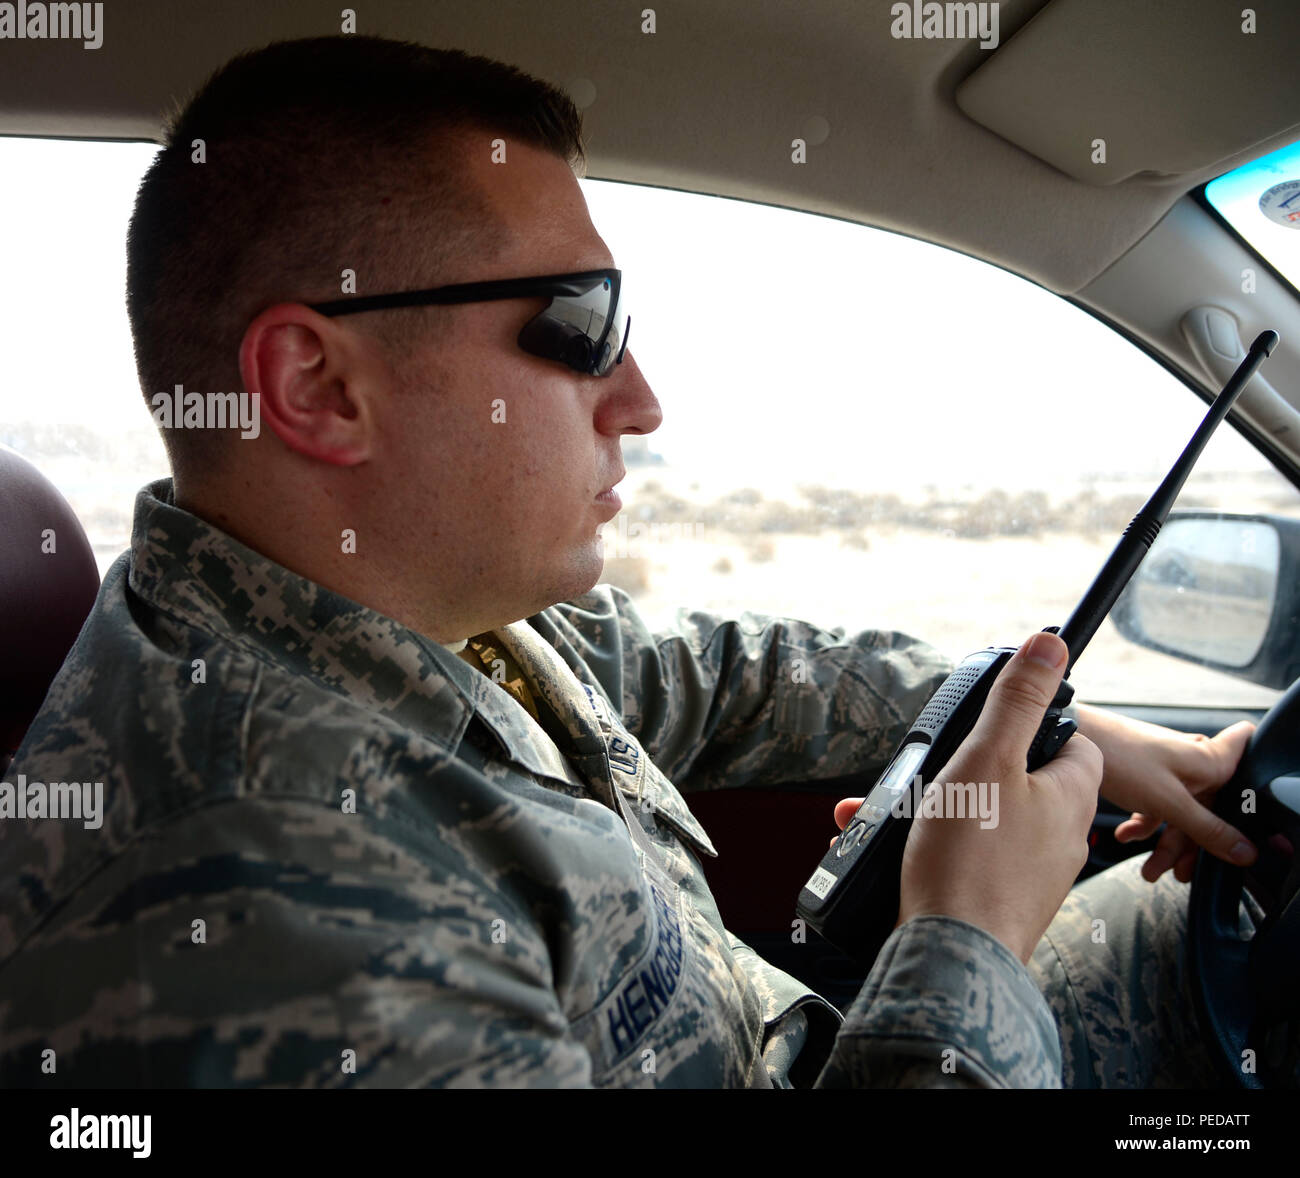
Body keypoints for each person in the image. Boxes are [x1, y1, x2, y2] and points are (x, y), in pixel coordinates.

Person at [0, 35, 1259, 1088]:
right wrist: (966, 933)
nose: (642, 400)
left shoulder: (397, 620)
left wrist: (1058, 728)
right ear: (319, 386)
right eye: (580, 324)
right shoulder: (278, 923)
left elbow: (725, 671)